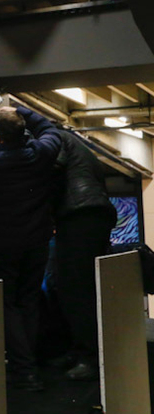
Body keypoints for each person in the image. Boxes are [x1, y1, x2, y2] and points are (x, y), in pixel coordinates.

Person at [0, 106, 61, 391]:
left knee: (6, 304)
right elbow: (49, 130)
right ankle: (29, 364)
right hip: (36, 242)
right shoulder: (39, 154)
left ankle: (22, 369)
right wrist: (19, 110)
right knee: (29, 301)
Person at [52, 129, 117, 380]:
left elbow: (53, 173)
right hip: (93, 213)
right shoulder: (77, 144)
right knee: (79, 287)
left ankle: (88, 356)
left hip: (79, 214)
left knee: (75, 288)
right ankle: (82, 350)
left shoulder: (53, 139)